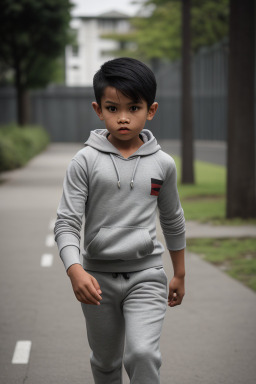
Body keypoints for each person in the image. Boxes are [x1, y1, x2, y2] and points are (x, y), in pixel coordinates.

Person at [54, 57, 186, 384]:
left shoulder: (164, 164)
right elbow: (66, 224)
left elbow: (172, 220)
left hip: (147, 274)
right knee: (106, 362)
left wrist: (179, 273)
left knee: (142, 354)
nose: (123, 118)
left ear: (150, 110)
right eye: (113, 108)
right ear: (98, 110)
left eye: (134, 107)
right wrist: (75, 271)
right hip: (97, 280)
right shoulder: (83, 161)